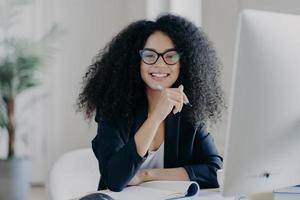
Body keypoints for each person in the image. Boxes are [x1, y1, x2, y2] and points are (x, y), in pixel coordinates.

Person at [77, 14, 225, 192]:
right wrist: (156, 117)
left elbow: (214, 170)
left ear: (183, 63)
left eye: (170, 56)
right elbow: (114, 179)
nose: (160, 64)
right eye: (149, 55)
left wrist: (146, 175)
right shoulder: (114, 108)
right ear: (135, 61)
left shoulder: (188, 109)